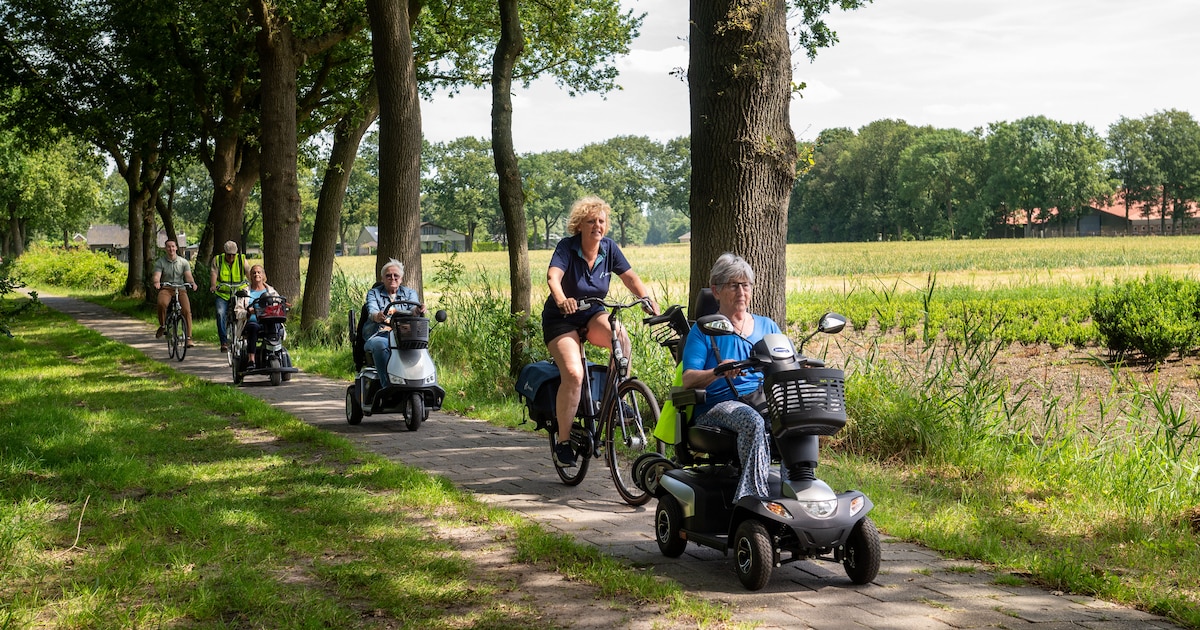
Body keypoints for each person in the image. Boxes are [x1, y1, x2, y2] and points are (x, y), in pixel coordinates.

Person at [543, 196, 658, 468]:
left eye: (601, 221)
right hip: (562, 318)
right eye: (591, 221)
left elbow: (629, 277)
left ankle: (617, 396)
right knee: (573, 373)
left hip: (593, 312)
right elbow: (553, 277)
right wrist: (562, 300)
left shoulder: (609, 248)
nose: (597, 225)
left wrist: (645, 298)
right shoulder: (567, 248)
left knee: (620, 337)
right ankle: (563, 441)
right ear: (579, 225)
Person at [680, 252, 781, 502]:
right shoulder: (703, 330)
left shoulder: (767, 326)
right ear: (716, 291)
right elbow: (688, 379)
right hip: (717, 406)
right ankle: (750, 500)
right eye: (733, 285)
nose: (741, 292)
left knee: (798, 418)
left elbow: (786, 361)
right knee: (751, 421)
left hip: (760, 400)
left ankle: (797, 492)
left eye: (745, 285)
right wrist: (717, 371)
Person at [362, 259, 424, 386]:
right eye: (388, 276)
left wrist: (418, 310)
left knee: (420, 346)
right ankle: (388, 386)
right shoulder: (374, 293)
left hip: (405, 335)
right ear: (383, 278)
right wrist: (378, 316)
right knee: (380, 344)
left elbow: (413, 310)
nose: (392, 278)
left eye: (396, 275)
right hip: (379, 334)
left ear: (401, 279)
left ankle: (417, 383)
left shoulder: (410, 293)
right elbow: (372, 311)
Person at [151, 239, 198, 347]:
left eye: (173, 246)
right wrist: (157, 282)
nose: (171, 249)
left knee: (186, 310)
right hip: (166, 288)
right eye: (168, 247)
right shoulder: (160, 262)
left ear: (176, 248)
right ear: (165, 249)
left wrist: (192, 283)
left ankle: (189, 338)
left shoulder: (183, 262)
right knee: (161, 303)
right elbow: (157, 275)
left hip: (180, 289)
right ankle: (163, 326)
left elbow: (188, 276)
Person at [233, 265, 282, 368]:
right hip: (251, 322)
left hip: (268, 321)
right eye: (254, 273)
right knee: (253, 327)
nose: (257, 274)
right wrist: (248, 313)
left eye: (259, 272)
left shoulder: (271, 291)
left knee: (274, 325)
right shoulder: (246, 292)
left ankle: (274, 354)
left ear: (263, 275)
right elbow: (238, 312)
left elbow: (279, 304)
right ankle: (251, 360)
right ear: (250, 276)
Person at [210, 240, 250, 353]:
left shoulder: (242, 260)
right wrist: (213, 285)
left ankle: (244, 336)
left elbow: (248, 272)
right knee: (220, 313)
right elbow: (214, 272)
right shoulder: (218, 260)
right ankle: (223, 341)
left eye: (233, 254)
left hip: (239, 291)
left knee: (245, 311)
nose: (231, 257)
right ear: (225, 253)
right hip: (222, 292)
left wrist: (253, 284)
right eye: (229, 255)